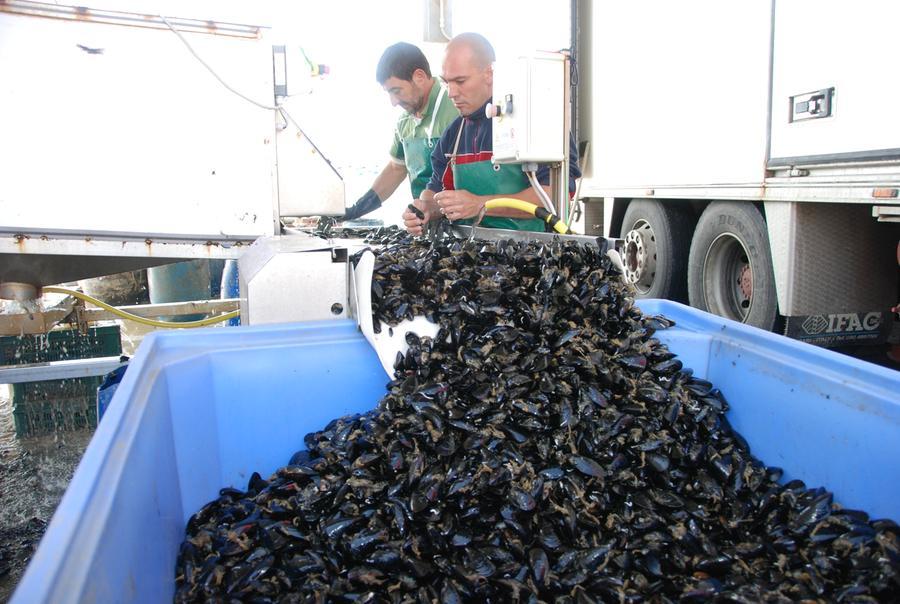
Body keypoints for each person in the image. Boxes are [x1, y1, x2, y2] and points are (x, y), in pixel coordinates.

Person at [403, 32, 581, 234]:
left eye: (460, 81)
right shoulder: (454, 134)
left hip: (535, 254)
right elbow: (435, 191)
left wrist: (481, 204)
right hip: (472, 253)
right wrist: (425, 209)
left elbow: (554, 196)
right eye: (446, 82)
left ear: (490, 74)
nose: (451, 93)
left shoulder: (535, 123)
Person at [343, 42, 459, 221]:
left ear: (419, 77)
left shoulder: (456, 106)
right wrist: (356, 210)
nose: (393, 102)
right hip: (426, 222)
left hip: (463, 223)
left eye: (396, 91)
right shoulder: (404, 121)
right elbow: (397, 168)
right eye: (389, 93)